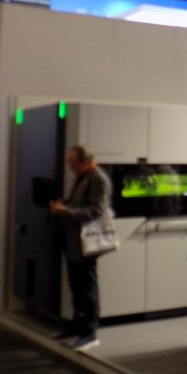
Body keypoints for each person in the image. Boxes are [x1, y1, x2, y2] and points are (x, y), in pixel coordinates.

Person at [48, 145, 111, 351]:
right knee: (76, 286)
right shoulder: (82, 177)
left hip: (85, 243)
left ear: (85, 161)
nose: (70, 167)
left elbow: (95, 210)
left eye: (73, 163)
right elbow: (77, 202)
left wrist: (66, 211)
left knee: (88, 287)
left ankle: (90, 332)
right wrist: (63, 204)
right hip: (72, 241)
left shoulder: (98, 179)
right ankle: (77, 325)